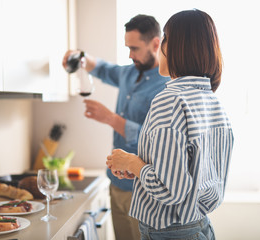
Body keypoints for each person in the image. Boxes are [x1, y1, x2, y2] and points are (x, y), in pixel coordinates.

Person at [106, 9, 234, 240]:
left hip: (168, 233)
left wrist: (132, 162)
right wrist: (139, 170)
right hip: (199, 226)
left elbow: (170, 190)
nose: (161, 46)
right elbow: (188, 176)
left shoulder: (170, 101)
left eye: (165, 38)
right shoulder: (212, 102)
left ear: (178, 47)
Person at [63, 15, 170, 240]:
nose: (130, 55)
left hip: (143, 192)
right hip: (116, 184)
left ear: (155, 44)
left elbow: (158, 140)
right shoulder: (128, 73)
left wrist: (111, 119)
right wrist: (79, 57)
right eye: (127, 48)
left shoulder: (167, 85)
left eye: (134, 48)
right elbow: (101, 68)